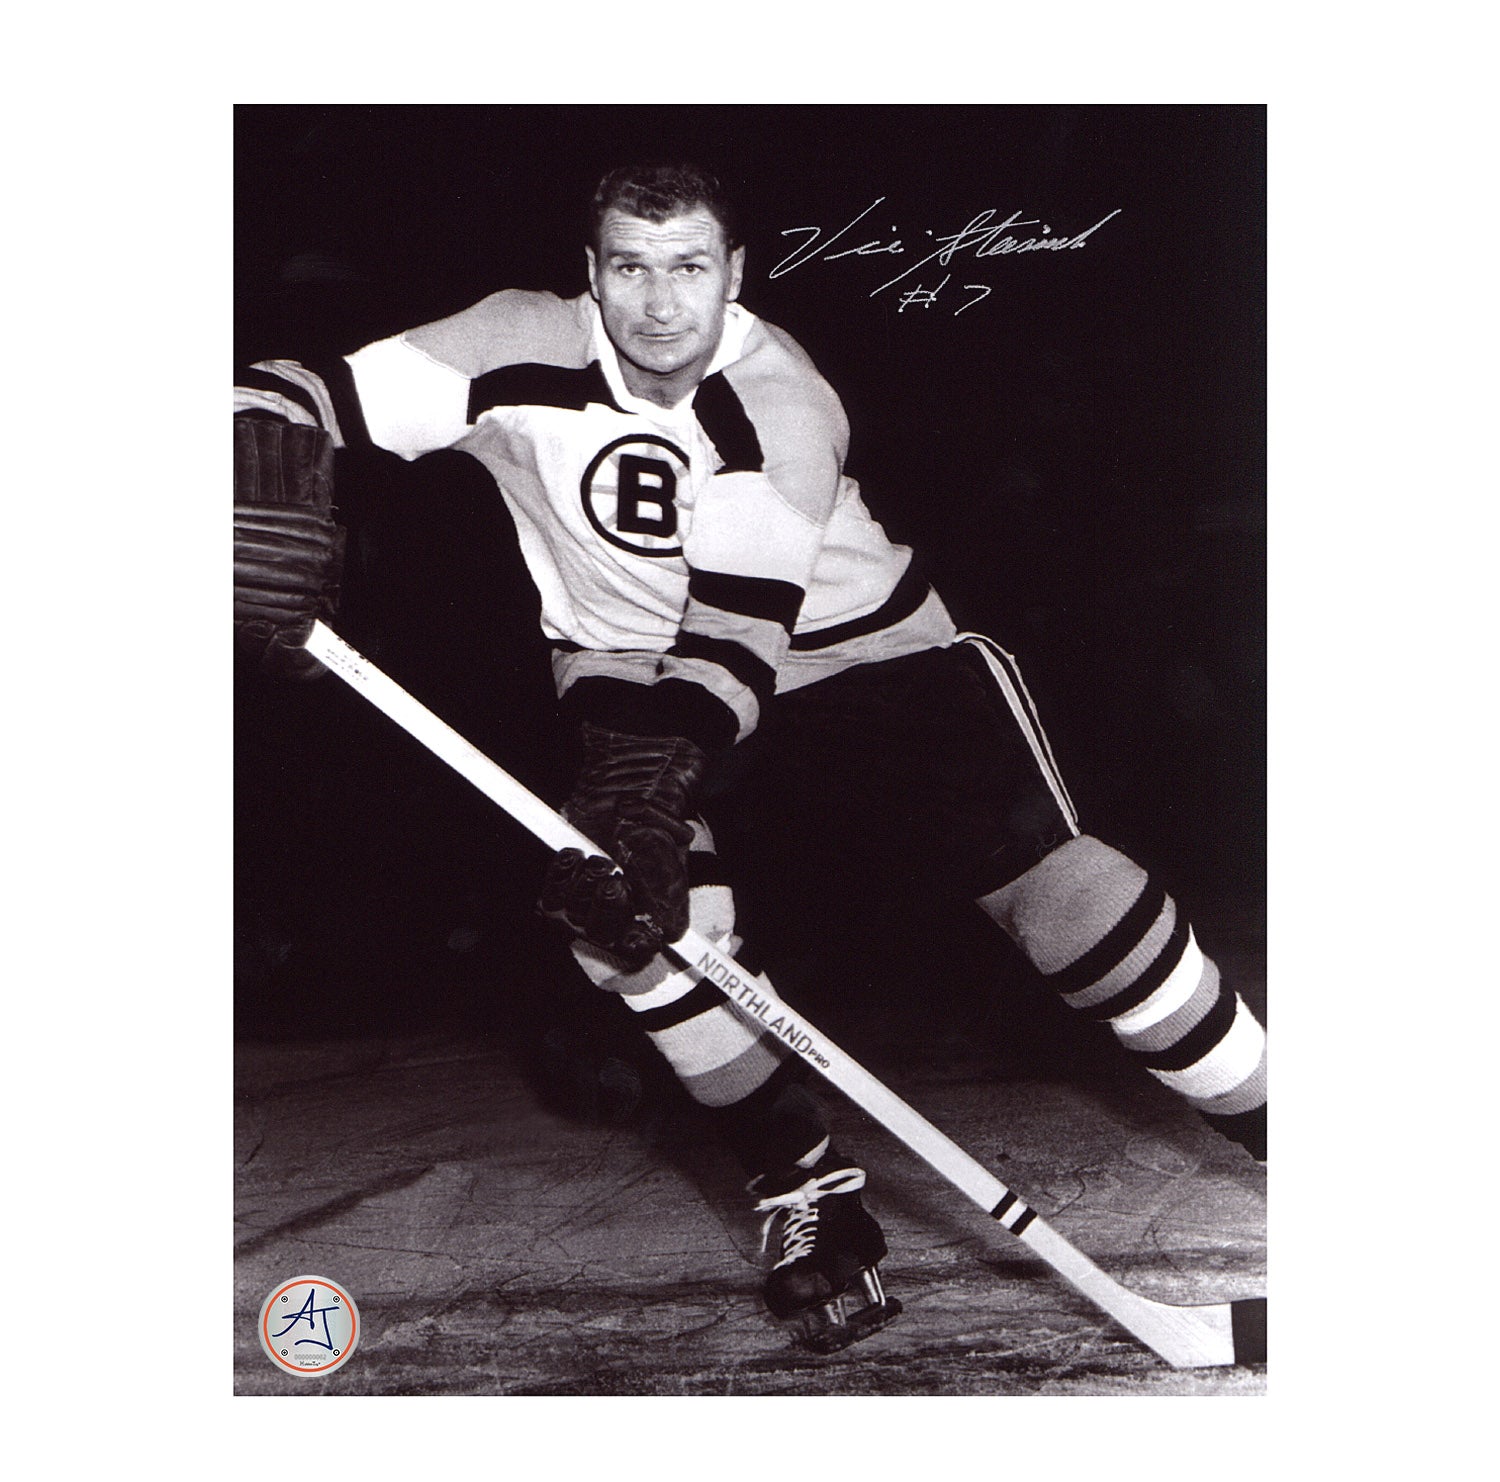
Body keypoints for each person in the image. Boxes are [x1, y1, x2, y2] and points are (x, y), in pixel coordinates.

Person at [234, 162, 1267, 1353]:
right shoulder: (511, 341)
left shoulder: (779, 400)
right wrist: (251, 448)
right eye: (630, 268)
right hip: (632, 679)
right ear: (590, 275)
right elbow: (300, 390)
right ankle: (805, 1187)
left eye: (688, 268)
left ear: (734, 274)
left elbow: (736, 637)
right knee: (628, 928)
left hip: (866, 663)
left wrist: (650, 791)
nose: (658, 303)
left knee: (1067, 900)